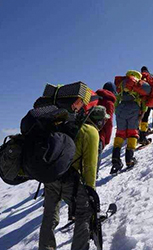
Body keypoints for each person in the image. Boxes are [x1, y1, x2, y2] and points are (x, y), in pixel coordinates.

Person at [39, 106, 106, 250]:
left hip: (51, 176)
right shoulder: (91, 132)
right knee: (84, 212)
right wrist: (91, 193)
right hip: (70, 179)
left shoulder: (68, 125)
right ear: (99, 122)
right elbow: (89, 166)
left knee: (49, 215)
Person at [110, 70, 153, 174]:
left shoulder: (122, 83)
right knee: (132, 133)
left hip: (121, 109)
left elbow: (117, 99)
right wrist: (142, 113)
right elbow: (143, 101)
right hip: (134, 109)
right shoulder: (138, 85)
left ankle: (115, 159)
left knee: (120, 134)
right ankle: (129, 159)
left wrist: (117, 110)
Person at [95, 82, 116, 175]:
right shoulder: (109, 102)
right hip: (100, 136)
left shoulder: (95, 98)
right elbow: (109, 122)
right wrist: (107, 140)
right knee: (94, 162)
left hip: (86, 131)